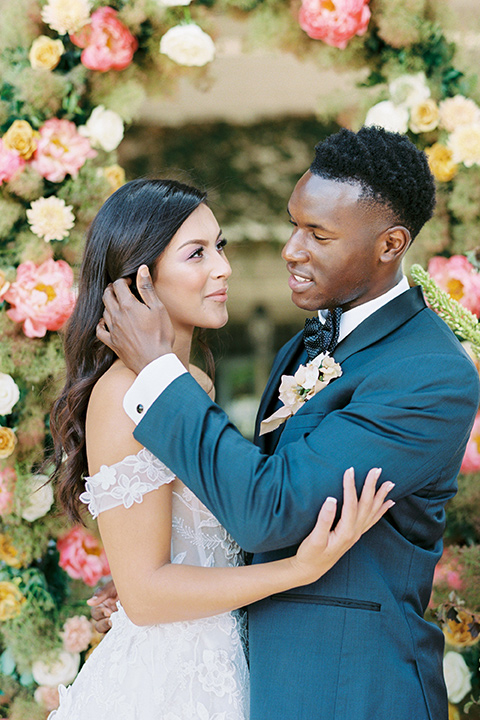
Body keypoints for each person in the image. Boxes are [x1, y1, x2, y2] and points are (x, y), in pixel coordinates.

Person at [95, 127, 480, 720]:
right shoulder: (309, 345)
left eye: (318, 234)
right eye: (294, 222)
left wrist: (156, 372)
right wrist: (164, 581)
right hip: (245, 680)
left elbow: (267, 511)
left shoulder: (428, 373)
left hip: (350, 694)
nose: (290, 249)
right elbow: (251, 489)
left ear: (390, 244)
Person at [48, 177, 393, 720]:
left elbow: (200, 534)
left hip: (227, 661)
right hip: (167, 686)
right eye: (197, 254)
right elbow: (146, 596)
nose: (223, 268)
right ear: (141, 280)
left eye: (220, 247)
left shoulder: (192, 384)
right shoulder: (120, 394)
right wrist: (298, 571)